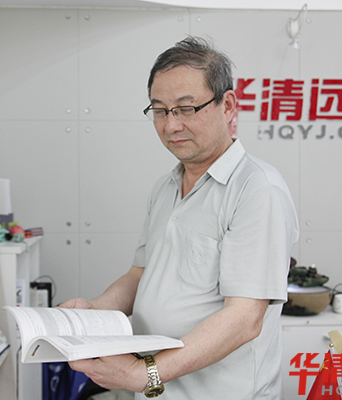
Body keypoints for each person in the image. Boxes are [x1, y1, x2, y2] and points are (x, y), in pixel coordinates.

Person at [60, 36, 299, 400]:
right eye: (160, 110)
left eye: (186, 109)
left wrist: (144, 373)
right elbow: (140, 275)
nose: (171, 125)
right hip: (156, 389)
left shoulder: (257, 189)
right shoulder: (165, 187)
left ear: (228, 105)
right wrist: (94, 309)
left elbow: (245, 318)